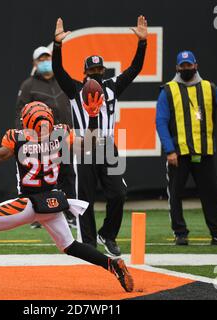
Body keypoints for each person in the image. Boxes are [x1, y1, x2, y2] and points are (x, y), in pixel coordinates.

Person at [0, 101, 134, 292]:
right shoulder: (61, 134)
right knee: (69, 245)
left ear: (26, 122)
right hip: (52, 203)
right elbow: (90, 145)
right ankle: (112, 264)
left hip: (29, 203)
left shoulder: (17, 138)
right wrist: (92, 117)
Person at [52, 16, 148, 256]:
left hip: (107, 146)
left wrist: (143, 43)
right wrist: (57, 45)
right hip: (84, 147)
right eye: (91, 70)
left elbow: (135, 69)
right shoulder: (75, 89)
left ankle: (108, 234)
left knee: (119, 193)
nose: (95, 73)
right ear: (84, 72)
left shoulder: (112, 87)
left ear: (103, 71)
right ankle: (89, 244)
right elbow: (58, 70)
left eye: (99, 70)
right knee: (85, 200)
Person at [156, 50, 217, 246]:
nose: (186, 69)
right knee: (175, 195)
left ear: (196, 65)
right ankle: (180, 233)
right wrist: (169, 150)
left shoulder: (209, 87)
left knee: (211, 194)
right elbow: (161, 122)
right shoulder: (168, 90)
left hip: (204, 152)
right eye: (182, 66)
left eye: (189, 65)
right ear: (177, 67)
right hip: (179, 152)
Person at [16, 46, 76, 229]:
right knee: (42, 176)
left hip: (63, 136)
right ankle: (36, 214)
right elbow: (21, 112)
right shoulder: (29, 85)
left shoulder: (62, 81)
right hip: (40, 139)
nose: (45, 62)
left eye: (47, 58)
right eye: (41, 60)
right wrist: (26, 137)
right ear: (35, 63)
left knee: (67, 175)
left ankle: (69, 212)